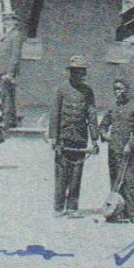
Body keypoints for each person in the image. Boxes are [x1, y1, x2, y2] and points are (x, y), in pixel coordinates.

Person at [49, 55, 99, 214]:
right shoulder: (62, 89)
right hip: (64, 138)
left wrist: (95, 139)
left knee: (76, 175)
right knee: (62, 173)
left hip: (80, 138)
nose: (77, 75)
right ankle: (58, 207)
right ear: (70, 73)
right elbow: (55, 114)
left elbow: (91, 115)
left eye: (80, 72)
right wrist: (54, 137)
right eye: (74, 72)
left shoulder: (88, 91)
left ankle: (72, 207)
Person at [100, 78, 134, 223]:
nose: (117, 92)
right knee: (115, 180)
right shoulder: (112, 107)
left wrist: (130, 145)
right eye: (115, 89)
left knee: (129, 181)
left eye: (120, 89)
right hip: (113, 150)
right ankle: (118, 211)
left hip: (127, 152)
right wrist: (104, 134)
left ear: (127, 90)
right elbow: (103, 125)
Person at [0, 12, 25, 128]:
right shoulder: (7, 34)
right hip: (1, 70)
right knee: (7, 96)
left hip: (7, 72)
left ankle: (7, 122)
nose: (6, 22)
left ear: (15, 22)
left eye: (9, 20)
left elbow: (15, 56)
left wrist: (10, 73)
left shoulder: (15, 35)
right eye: (5, 20)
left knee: (7, 97)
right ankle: (11, 121)